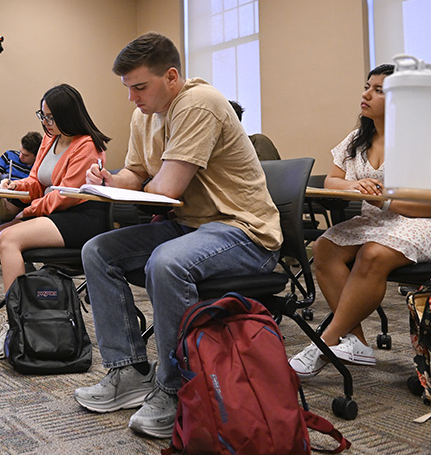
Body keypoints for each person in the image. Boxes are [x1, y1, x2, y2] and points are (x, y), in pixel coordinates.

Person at [73, 32, 282, 438]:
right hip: (194, 226)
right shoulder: (143, 115)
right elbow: (135, 174)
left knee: (166, 262)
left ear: (171, 77)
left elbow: (165, 189)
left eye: (139, 87)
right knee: (98, 251)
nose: (132, 98)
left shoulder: (200, 102)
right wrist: (107, 179)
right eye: (127, 88)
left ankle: (178, 388)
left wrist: (134, 186)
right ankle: (129, 371)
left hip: (245, 231)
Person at [289, 64, 431, 378]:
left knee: (372, 253)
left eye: (378, 90)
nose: (366, 94)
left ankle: (326, 340)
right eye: (367, 86)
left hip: (430, 224)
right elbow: (333, 180)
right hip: (379, 222)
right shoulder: (358, 139)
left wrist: (384, 198)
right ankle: (355, 342)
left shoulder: (426, 140)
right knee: (325, 247)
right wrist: (353, 186)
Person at [0, 84, 110, 359]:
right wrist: (15, 186)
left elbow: (65, 195)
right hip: (52, 212)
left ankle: (14, 325)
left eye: (51, 117)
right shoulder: (49, 138)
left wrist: (29, 211)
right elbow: (36, 181)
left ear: (68, 115)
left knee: (9, 238)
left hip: (81, 216)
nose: (45, 122)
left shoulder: (87, 145)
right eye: (42, 116)